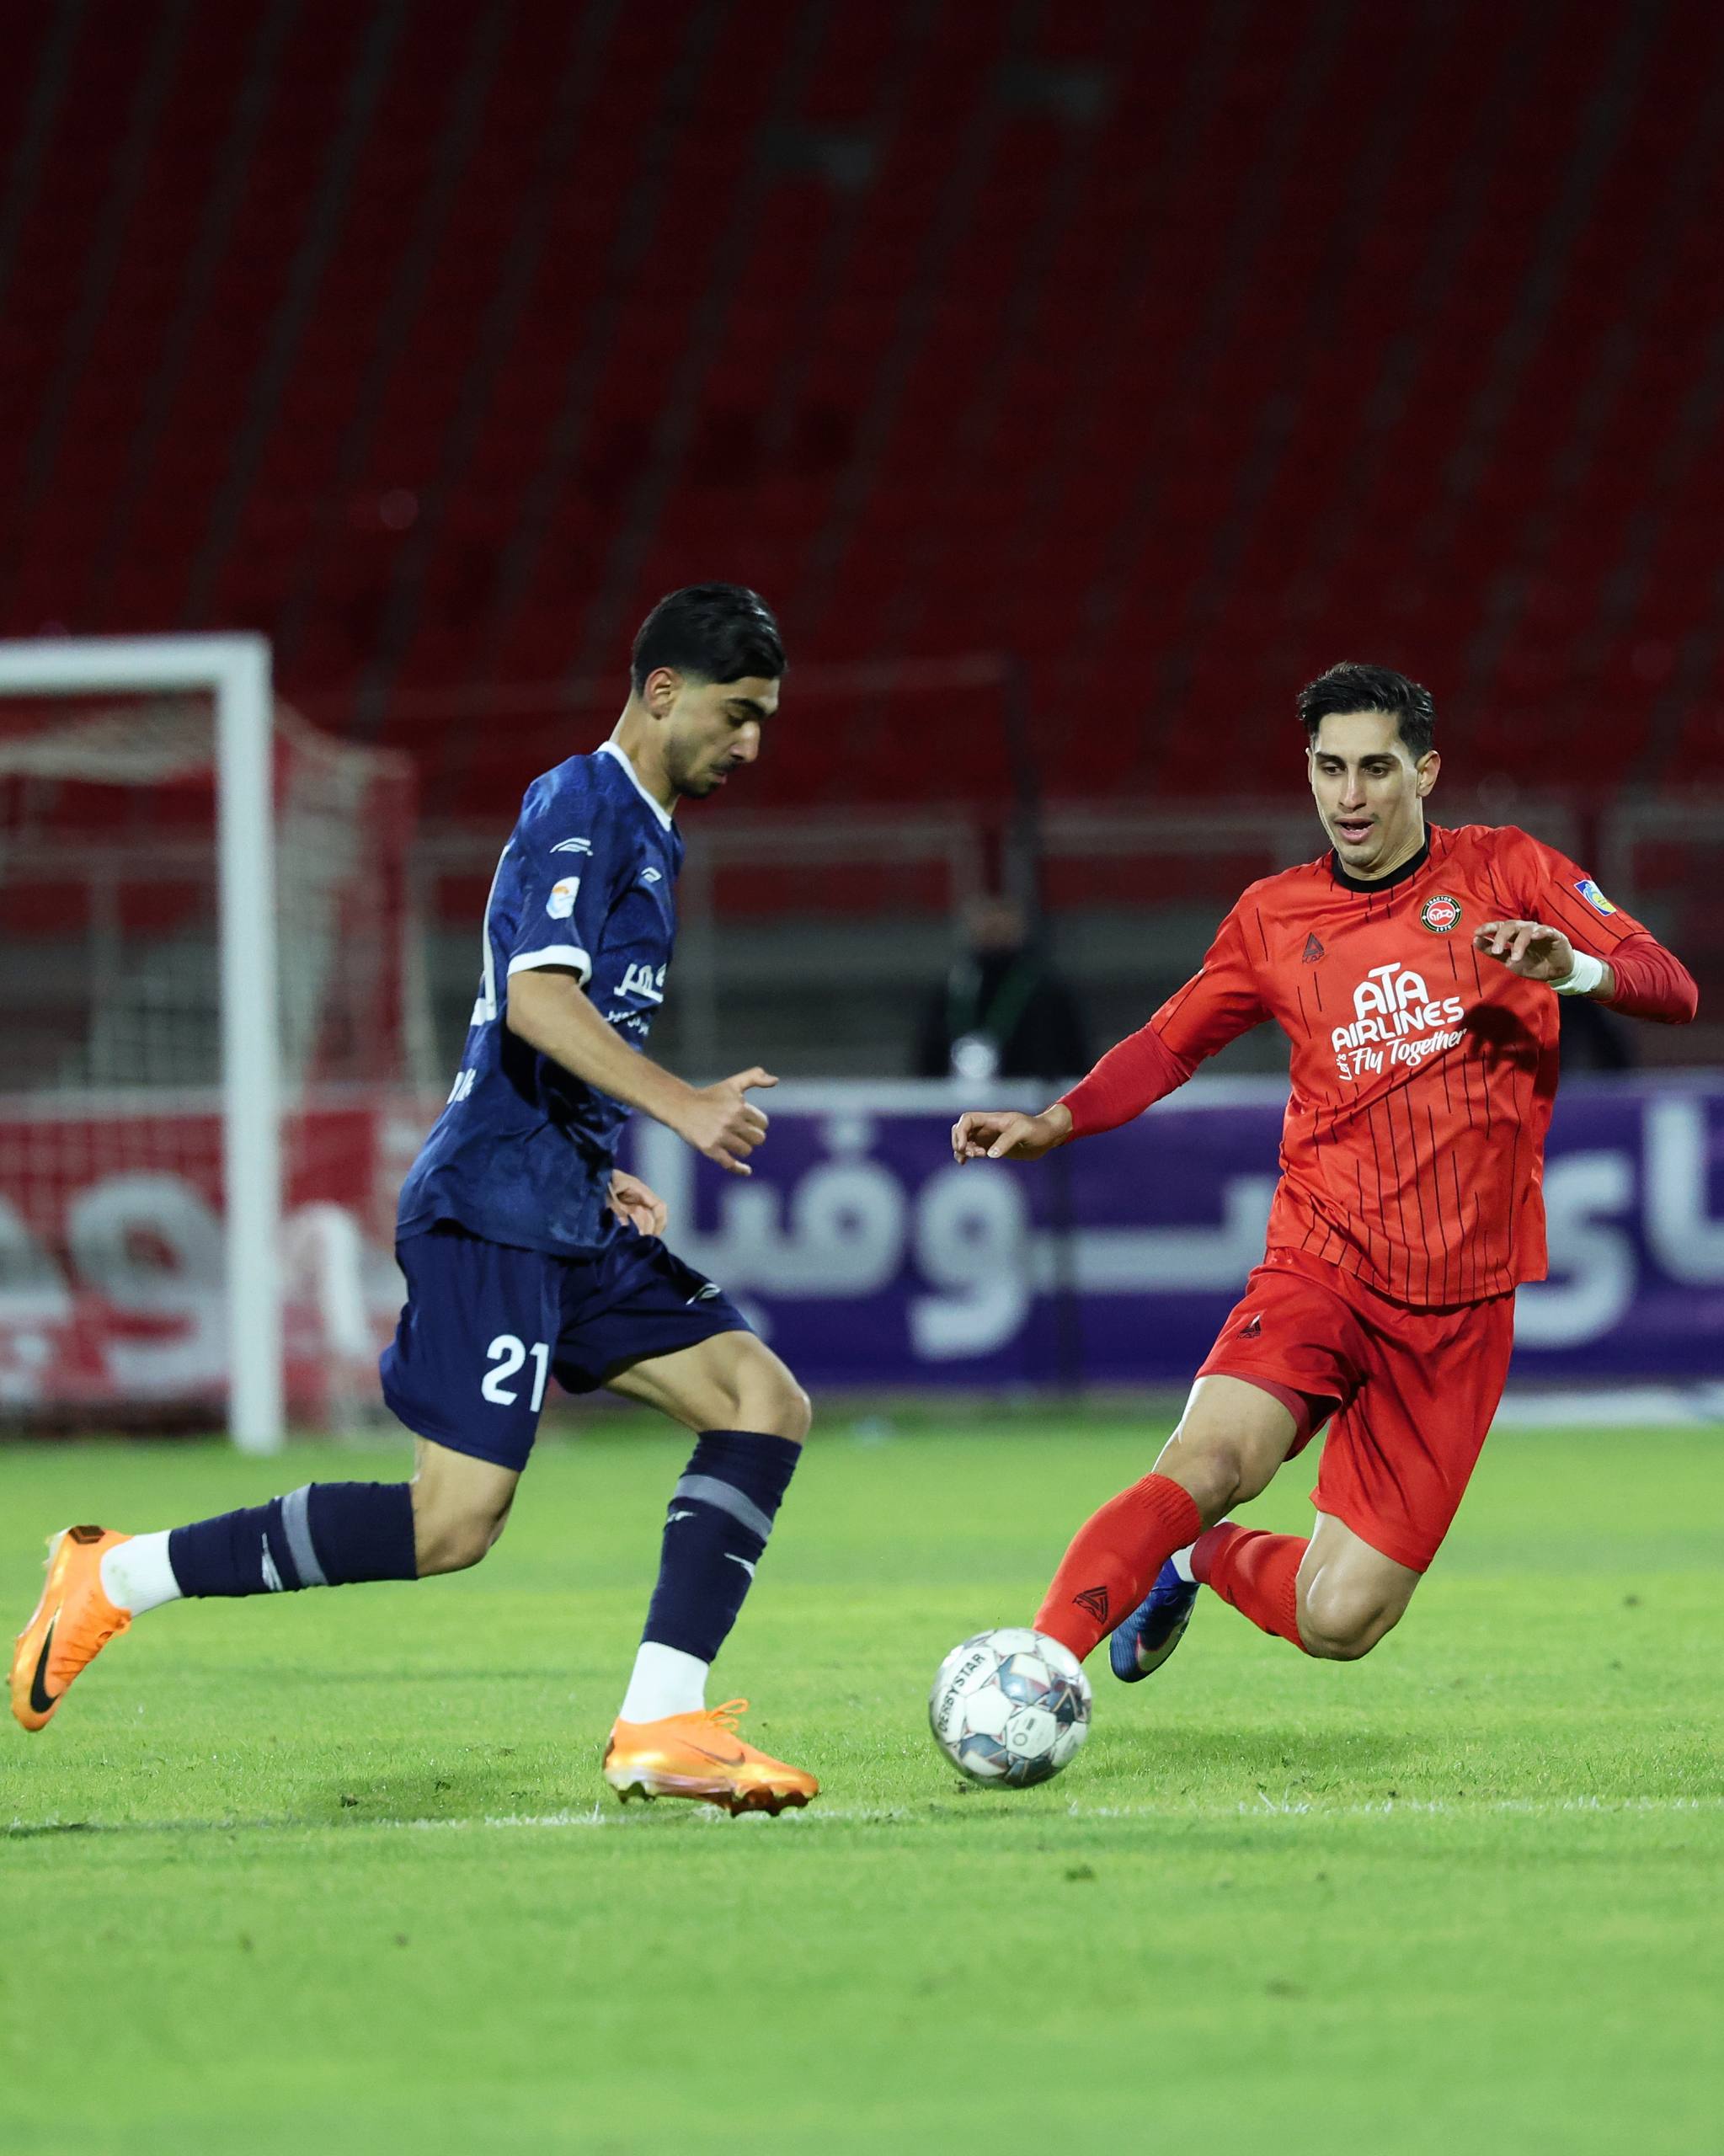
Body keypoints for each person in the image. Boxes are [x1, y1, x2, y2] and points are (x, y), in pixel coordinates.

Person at [12, 584, 819, 1817]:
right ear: (663, 691)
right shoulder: (582, 803)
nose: (752, 742)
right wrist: (678, 1106)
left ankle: (662, 1721)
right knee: (452, 1526)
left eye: (765, 717)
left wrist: (595, 1150)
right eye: (738, 711)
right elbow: (536, 998)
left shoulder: (651, 834)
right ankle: (115, 1578)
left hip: (562, 1200)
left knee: (762, 1402)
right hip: (491, 1208)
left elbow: (535, 1027)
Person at [953, 663, 1697, 1685]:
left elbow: (1671, 986)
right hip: (1323, 1263)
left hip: (1459, 1308)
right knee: (1211, 1461)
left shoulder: (1511, 870)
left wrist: (1569, 968)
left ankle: (1194, 1560)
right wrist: (1055, 1120)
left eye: (1375, 768)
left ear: (1424, 772)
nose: (1349, 795)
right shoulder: (1273, 916)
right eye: (1329, 767)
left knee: (1341, 1618)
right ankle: (1035, 1673)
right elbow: (1168, 1043)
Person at [916, 893, 1090, 1082]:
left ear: (1021, 925)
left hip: (1030, 1091)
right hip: (958, 1094)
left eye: (1004, 917)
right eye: (988, 917)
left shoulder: (1046, 989)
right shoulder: (955, 987)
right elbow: (928, 1056)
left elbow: (1073, 1051)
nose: (996, 926)